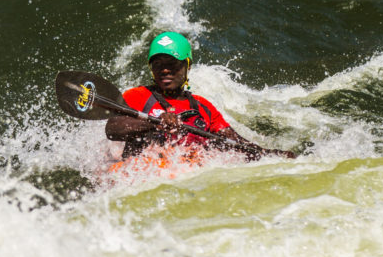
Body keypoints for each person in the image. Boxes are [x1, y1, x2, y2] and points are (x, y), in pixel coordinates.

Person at [105, 32, 296, 161]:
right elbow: (113, 129)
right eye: (158, 64)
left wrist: (270, 155)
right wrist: (155, 123)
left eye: (172, 63)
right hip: (145, 172)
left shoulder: (203, 108)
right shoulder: (138, 96)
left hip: (187, 176)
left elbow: (235, 142)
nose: (164, 70)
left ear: (187, 65)